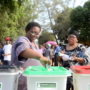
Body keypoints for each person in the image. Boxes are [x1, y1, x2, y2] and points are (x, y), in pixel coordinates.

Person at [10, 22, 52, 90]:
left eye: (37, 34)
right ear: (27, 30)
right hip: (21, 81)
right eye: (33, 32)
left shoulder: (35, 44)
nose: (35, 35)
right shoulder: (22, 39)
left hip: (31, 81)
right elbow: (23, 51)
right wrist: (40, 57)